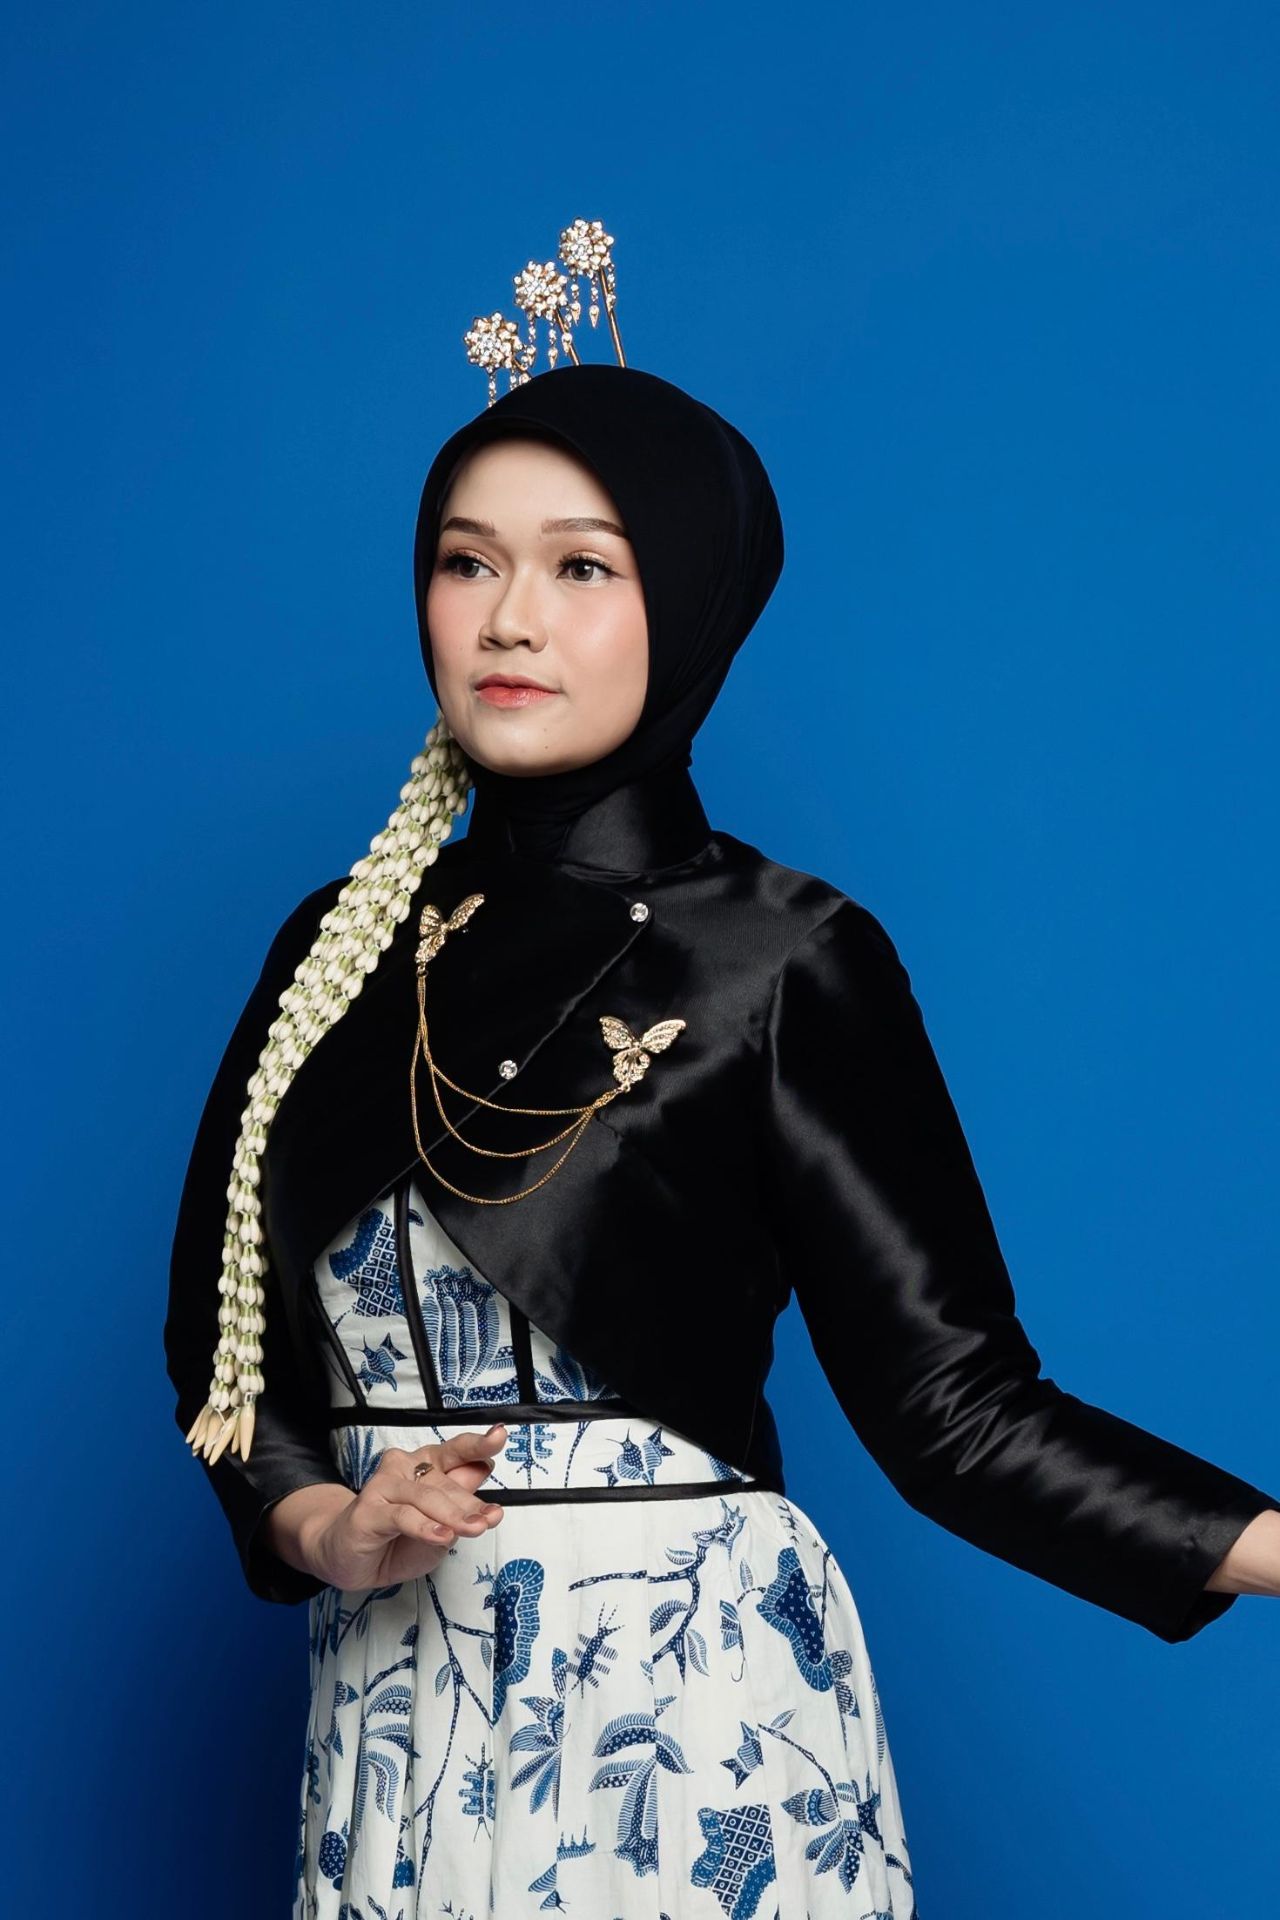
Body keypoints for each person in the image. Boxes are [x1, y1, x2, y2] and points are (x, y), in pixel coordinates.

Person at [166, 360, 1280, 1920]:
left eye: (582, 568)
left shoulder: (783, 955)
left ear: (690, 601)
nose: (508, 620)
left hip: (688, 1719)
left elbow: (958, 1411)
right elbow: (227, 1362)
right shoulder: (334, 951)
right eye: (468, 562)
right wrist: (329, 1531)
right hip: (391, 1723)